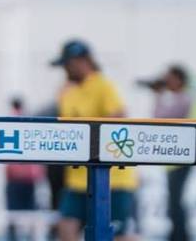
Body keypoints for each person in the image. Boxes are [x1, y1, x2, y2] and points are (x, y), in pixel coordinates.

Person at [51, 39, 137, 241]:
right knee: (65, 228)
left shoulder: (103, 86)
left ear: (83, 61)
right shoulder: (68, 91)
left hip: (112, 178)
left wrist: (88, 134)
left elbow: (119, 117)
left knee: (119, 235)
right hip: (78, 177)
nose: (65, 70)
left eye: (67, 65)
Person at [138, 65, 192, 241]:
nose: (166, 82)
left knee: (176, 201)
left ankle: (180, 236)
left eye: (169, 78)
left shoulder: (185, 99)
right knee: (174, 200)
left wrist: (159, 95)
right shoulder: (182, 98)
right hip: (177, 159)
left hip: (181, 158)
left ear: (178, 79)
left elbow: (161, 118)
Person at [3, 97, 45, 241]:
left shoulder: (9, 121)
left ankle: (15, 237)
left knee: (14, 215)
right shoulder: (29, 120)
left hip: (17, 179)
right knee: (29, 214)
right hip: (28, 178)